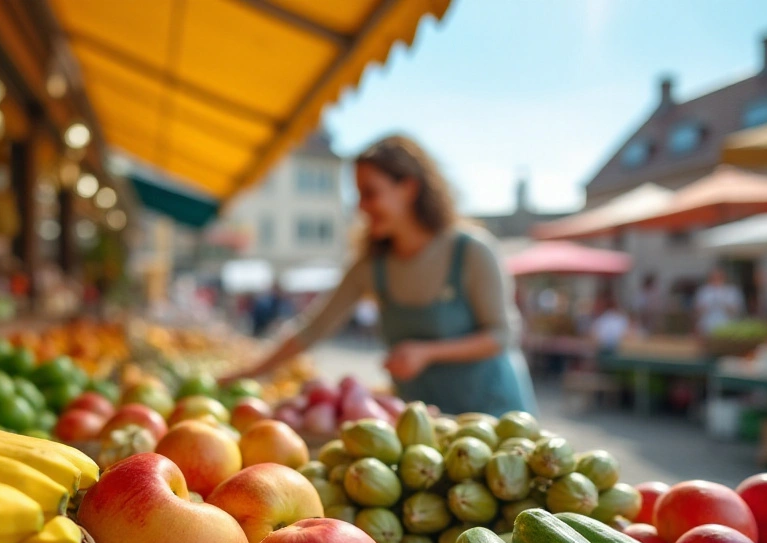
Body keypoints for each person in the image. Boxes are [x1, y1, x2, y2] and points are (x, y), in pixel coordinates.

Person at [222, 135, 536, 416]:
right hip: (426, 424)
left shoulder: (471, 252)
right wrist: (246, 373)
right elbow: (311, 329)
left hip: (494, 415)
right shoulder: (372, 266)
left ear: (409, 188)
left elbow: (503, 335)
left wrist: (427, 353)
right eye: (358, 195)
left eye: (370, 193)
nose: (361, 207)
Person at [694, 268, 744, 336]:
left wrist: (723, 302)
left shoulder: (731, 291)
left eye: (719, 277)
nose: (716, 279)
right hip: (707, 325)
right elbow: (698, 310)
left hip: (727, 324)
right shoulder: (704, 291)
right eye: (714, 277)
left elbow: (736, 310)